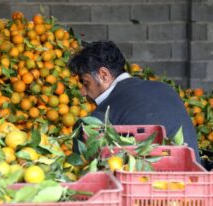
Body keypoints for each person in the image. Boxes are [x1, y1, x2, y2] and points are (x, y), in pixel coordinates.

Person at [68, 41, 200, 161]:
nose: (83, 92)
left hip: (150, 183)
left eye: (86, 83)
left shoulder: (102, 116)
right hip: (196, 179)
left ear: (104, 75)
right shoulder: (165, 88)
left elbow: (81, 165)